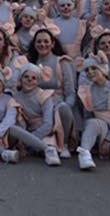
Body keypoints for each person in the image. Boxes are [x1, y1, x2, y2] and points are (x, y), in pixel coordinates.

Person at [28, 26, 75, 158]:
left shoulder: (62, 62)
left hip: (58, 104)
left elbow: (70, 92)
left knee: (64, 108)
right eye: (39, 42)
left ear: (53, 43)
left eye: (46, 41)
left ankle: (64, 143)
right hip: (37, 106)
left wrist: (65, 109)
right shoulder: (30, 63)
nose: (42, 44)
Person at [12, 64, 63, 166]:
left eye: (33, 78)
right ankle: (32, 147)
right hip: (28, 129)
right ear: (21, 78)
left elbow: (48, 124)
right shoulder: (16, 96)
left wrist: (30, 139)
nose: (29, 80)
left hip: (45, 130)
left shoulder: (44, 96)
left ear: (38, 81)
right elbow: (20, 119)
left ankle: (47, 150)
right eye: (26, 77)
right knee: (14, 129)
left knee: (46, 144)